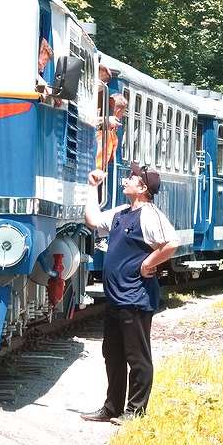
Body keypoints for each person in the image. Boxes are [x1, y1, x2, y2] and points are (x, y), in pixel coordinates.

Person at [80, 162, 178, 424]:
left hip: (135, 298)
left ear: (143, 188)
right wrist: (93, 187)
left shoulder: (149, 214)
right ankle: (112, 407)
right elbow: (91, 220)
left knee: (137, 357)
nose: (126, 179)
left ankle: (135, 411)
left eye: (132, 177)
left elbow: (172, 243)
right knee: (112, 354)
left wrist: (149, 263)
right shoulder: (121, 213)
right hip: (116, 298)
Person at [95, 92, 128, 170]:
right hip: (97, 169)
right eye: (122, 113)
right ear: (118, 111)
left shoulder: (98, 116)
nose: (121, 117)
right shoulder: (108, 133)